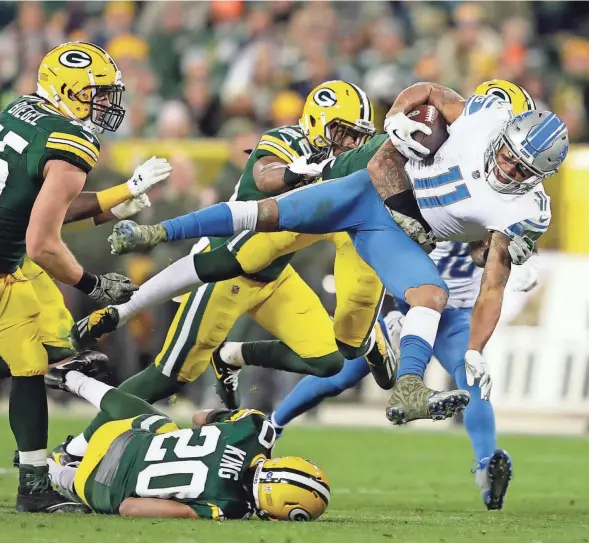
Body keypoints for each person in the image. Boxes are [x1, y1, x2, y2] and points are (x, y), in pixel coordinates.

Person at [99, 81, 568, 426]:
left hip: (391, 234)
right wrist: (396, 119)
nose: (506, 168)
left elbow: (492, 283)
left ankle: (408, 386)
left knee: (430, 295)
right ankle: (156, 231)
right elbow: (415, 108)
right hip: (368, 194)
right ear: (502, 131)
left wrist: (475, 350)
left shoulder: (526, 208)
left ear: (537, 176)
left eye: (521, 168)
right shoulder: (474, 120)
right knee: (264, 217)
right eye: (507, 154)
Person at [60, 80, 401, 469]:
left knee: (328, 360)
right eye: (342, 132)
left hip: (275, 277)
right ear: (316, 121)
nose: (349, 143)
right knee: (170, 375)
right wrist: (298, 171)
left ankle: (231, 356)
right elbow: (263, 175)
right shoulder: (288, 141)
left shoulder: (342, 165)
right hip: (226, 267)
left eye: (357, 135)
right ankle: (78, 448)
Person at [0, 41, 171, 513]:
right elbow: (43, 242)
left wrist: (117, 196)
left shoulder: (20, 110)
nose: (105, 104)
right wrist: (91, 285)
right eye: (96, 93)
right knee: (32, 365)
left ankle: (33, 483)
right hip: (10, 267)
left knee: (29, 368)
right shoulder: (71, 143)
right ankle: (67, 366)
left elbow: (37, 207)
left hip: (8, 267)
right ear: (68, 90)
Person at [272, 238, 540, 511]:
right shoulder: (436, 202)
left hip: (446, 313)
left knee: (472, 379)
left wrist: (527, 257)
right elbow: (381, 250)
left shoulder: (475, 204)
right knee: (343, 373)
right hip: (412, 308)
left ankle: (488, 469)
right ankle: (273, 425)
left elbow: (510, 235)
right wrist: (388, 310)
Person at [43, 355, 330, 521]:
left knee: (161, 425)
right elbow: (130, 507)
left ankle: (73, 382)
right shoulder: (229, 506)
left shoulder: (256, 430)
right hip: (96, 488)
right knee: (116, 489)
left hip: (118, 438)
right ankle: (53, 471)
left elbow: (198, 418)